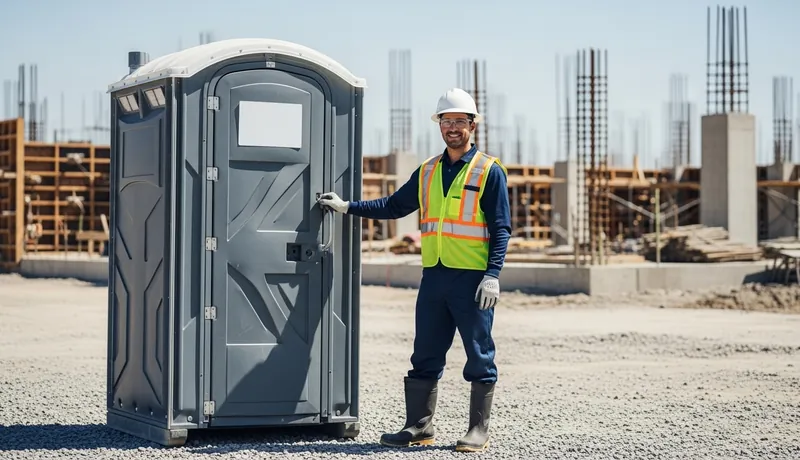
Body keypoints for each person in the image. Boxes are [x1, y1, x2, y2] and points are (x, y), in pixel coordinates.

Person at [318, 87, 511, 453]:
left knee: (479, 354)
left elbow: (501, 227)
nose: (453, 127)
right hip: (434, 276)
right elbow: (393, 206)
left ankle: (478, 430)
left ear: (473, 125)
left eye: (460, 121)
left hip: (472, 279)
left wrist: (493, 275)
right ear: (439, 125)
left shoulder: (489, 171)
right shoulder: (428, 170)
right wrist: (347, 207)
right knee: (424, 353)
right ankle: (419, 426)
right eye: (446, 121)